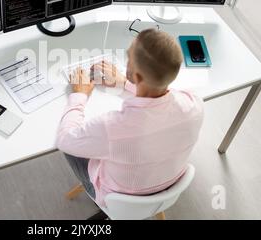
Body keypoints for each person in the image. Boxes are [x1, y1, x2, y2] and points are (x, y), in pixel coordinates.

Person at [55, 28, 204, 206]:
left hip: (119, 200)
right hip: (169, 185)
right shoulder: (194, 103)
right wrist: (125, 83)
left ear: (137, 75)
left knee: (71, 146)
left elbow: (64, 140)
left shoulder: (113, 127)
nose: (126, 59)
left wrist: (79, 94)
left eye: (129, 57)